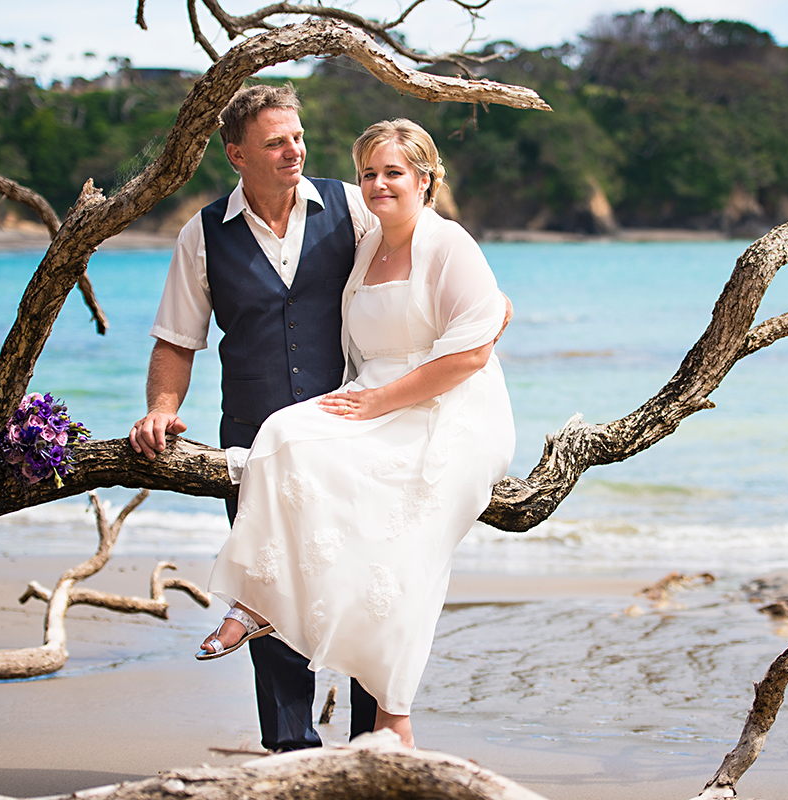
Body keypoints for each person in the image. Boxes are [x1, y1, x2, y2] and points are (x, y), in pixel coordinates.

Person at [197, 118, 515, 748]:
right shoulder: (366, 242)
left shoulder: (448, 243)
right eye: (368, 173)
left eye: (393, 172)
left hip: (445, 404)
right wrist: (368, 403)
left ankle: (392, 716)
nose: (377, 184)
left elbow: (472, 351)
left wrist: (379, 404)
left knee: (397, 541)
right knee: (281, 433)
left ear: (425, 179)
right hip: (372, 395)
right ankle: (260, 598)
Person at [128, 83, 382, 752]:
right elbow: (177, 340)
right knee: (265, 591)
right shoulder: (203, 233)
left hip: (350, 437)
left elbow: (410, 274)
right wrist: (161, 409)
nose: (294, 150)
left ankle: (371, 750)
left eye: (298, 136)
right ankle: (291, 750)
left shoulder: (351, 208)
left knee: (362, 592)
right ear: (237, 154)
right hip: (252, 443)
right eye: (276, 142)